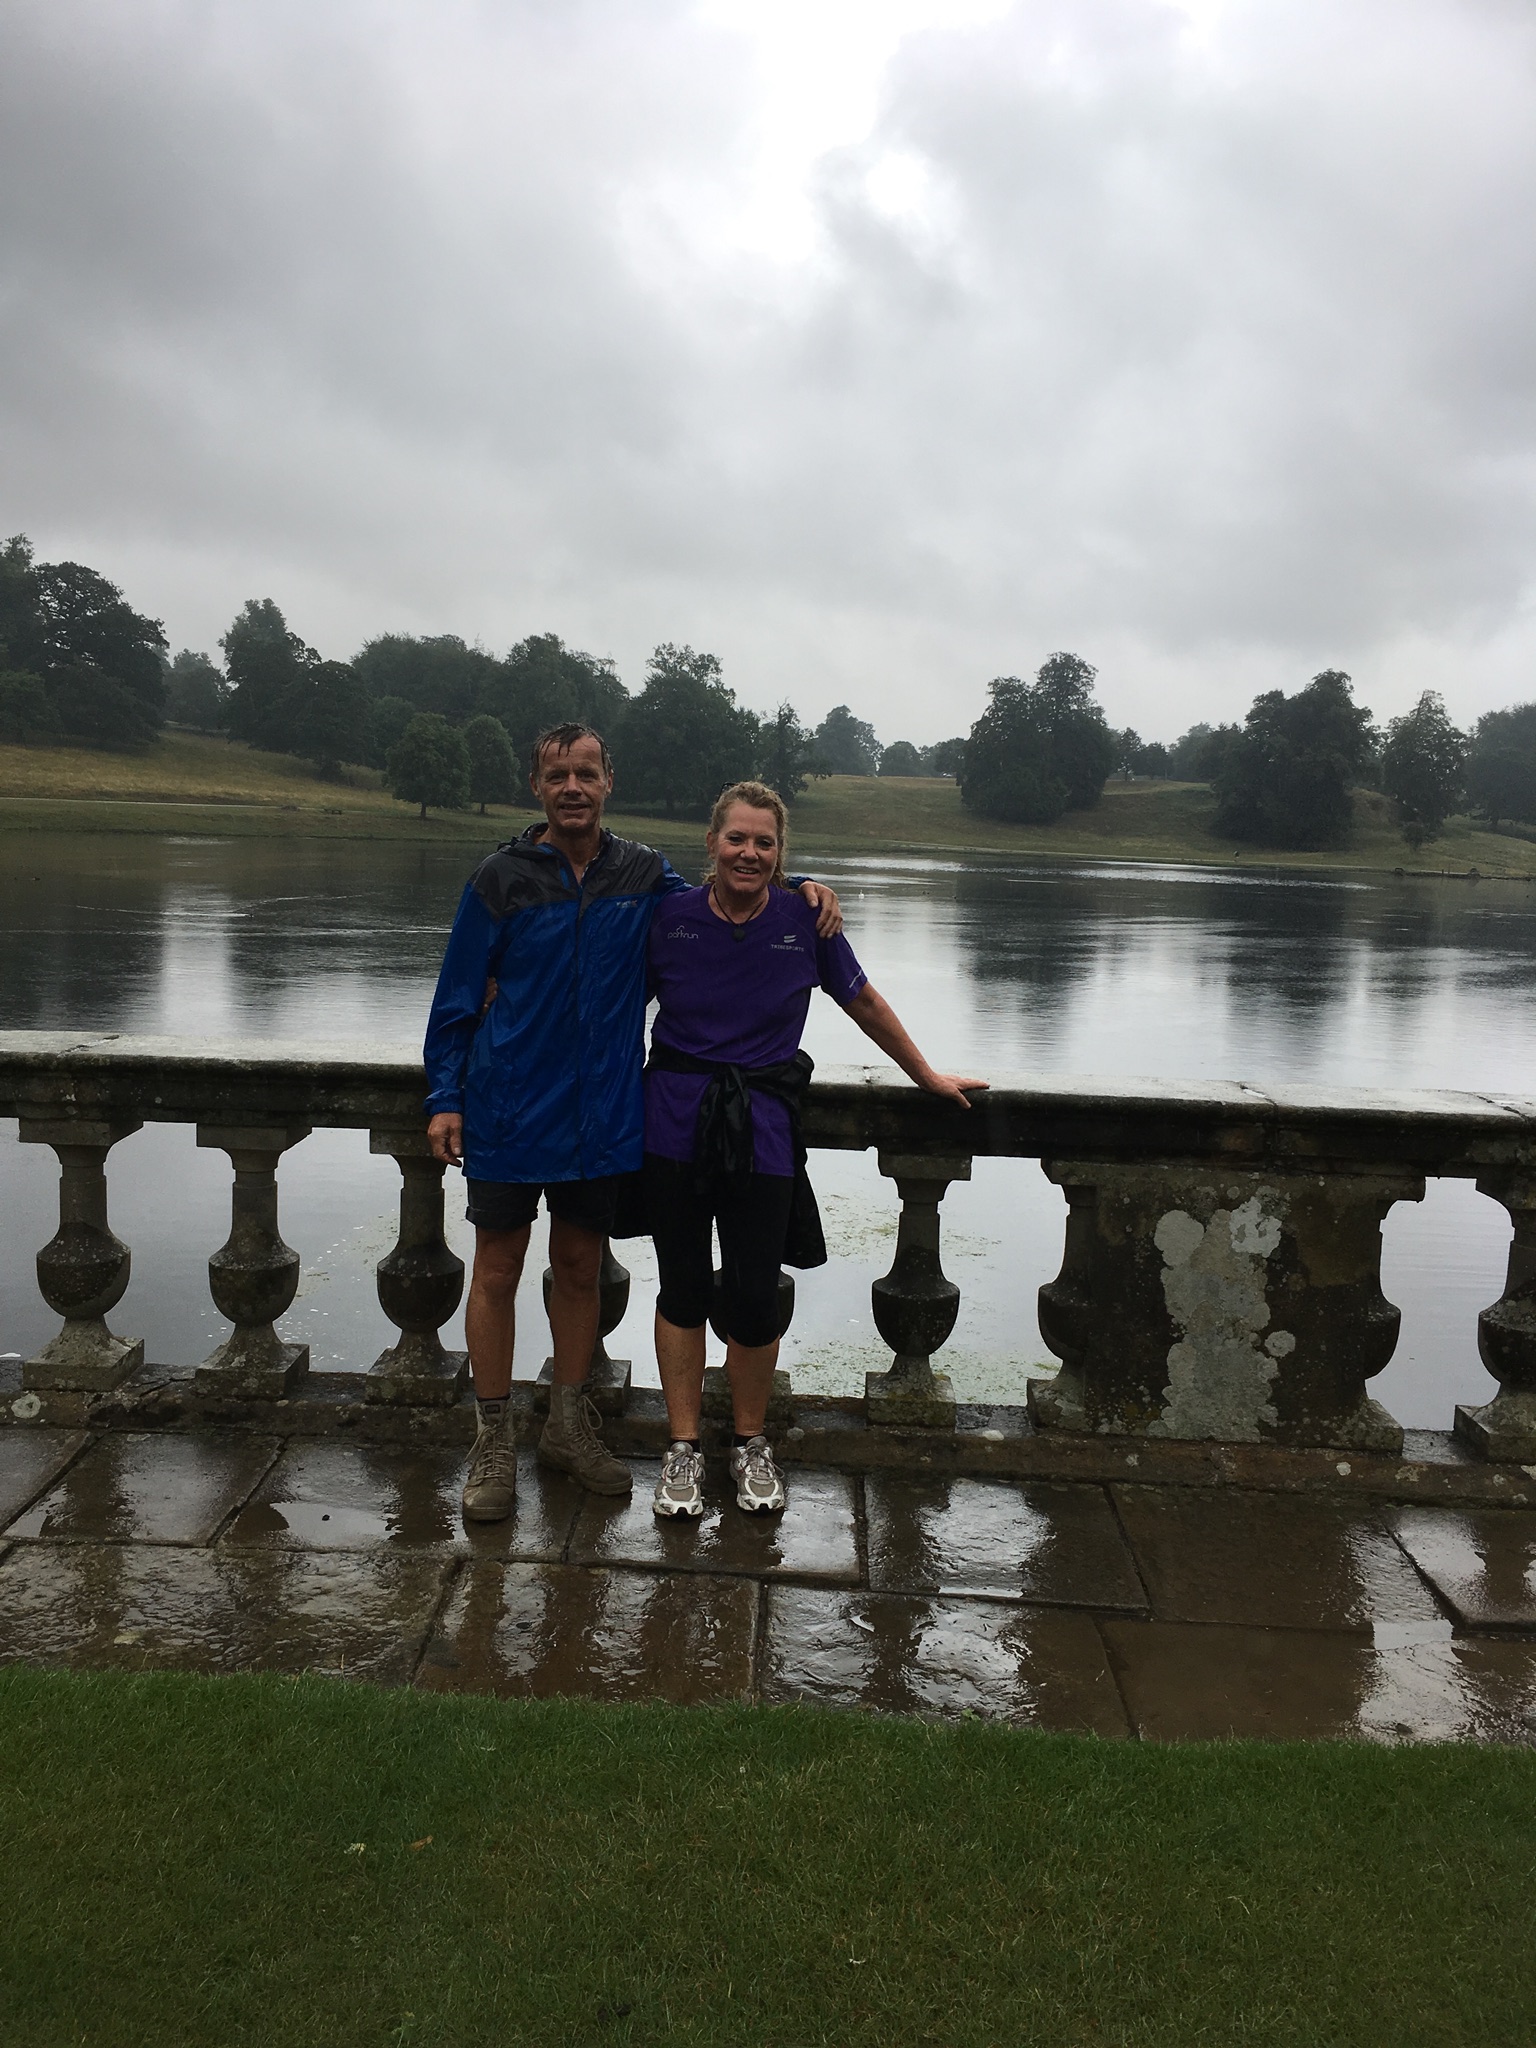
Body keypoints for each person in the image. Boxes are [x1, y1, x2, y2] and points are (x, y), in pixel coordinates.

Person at [423, 725, 842, 1523]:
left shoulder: (644, 873)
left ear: (608, 781)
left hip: (601, 1112)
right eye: (557, 774)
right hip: (507, 1103)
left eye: (586, 773)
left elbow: (728, 892)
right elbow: (456, 995)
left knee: (581, 1269)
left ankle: (567, 1427)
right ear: (537, 786)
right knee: (498, 1272)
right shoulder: (499, 878)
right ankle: (492, 1441)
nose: (572, 787)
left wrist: (802, 885)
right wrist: (444, 1096)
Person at [643, 780, 987, 1519]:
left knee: (755, 1293)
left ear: (780, 851)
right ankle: (681, 1448)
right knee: (681, 1287)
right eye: (736, 838)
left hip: (764, 1130)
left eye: (764, 843)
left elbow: (862, 1000)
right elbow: (612, 1006)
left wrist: (925, 1074)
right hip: (672, 1125)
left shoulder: (806, 920)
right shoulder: (668, 918)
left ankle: (750, 1442)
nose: (749, 853)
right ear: (711, 842)